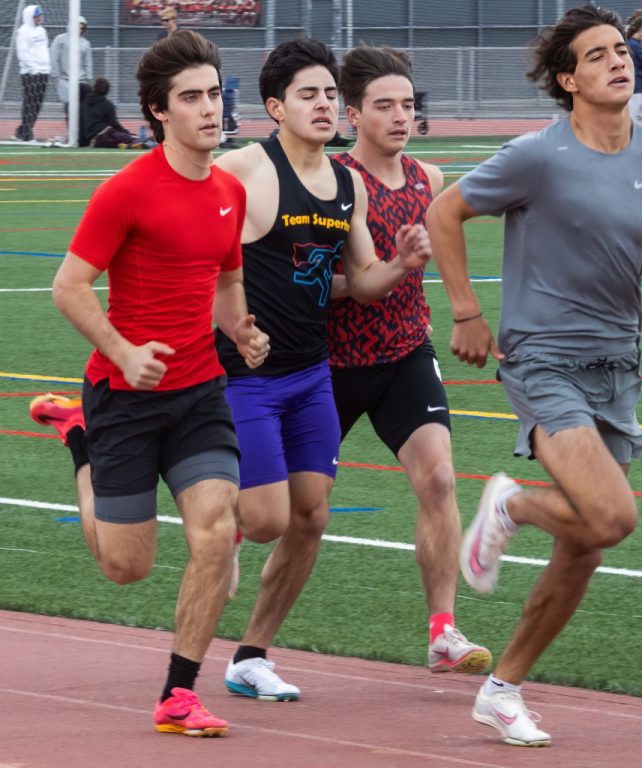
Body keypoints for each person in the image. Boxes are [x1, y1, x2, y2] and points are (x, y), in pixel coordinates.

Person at [426, 4, 642, 747]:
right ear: (568, 79)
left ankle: (502, 689)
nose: (618, 61)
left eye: (622, 50)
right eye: (599, 54)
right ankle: (512, 504)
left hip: (619, 366)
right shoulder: (536, 156)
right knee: (612, 516)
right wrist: (466, 312)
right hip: (543, 358)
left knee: (585, 547)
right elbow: (444, 212)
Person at [28, 30, 269, 737]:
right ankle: (80, 440)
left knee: (216, 533)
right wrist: (123, 351)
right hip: (125, 397)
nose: (209, 108)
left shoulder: (229, 192)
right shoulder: (126, 191)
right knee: (125, 566)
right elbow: (69, 287)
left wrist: (241, 331)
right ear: (160, 112)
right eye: (191, 98)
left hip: (200, 394)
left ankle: (178, 694)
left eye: (214, 94)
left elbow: (226, 279)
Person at [213, 37, 431, 701]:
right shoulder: (243, 168)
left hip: (312, 375)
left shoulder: (345, 183)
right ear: (276, 107)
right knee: (268, 520)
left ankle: (251, 657)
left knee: (310, 517)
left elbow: (361, 281)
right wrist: (233, 323)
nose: (324, 105)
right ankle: (216, 514)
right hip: (246, 375)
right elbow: (197, 252)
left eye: (331, 94)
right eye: (308, 94)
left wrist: (403, 264)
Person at [329, 44, 491, 674]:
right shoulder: (333, 181)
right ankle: (231, 538)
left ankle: (443, 631)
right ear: (353, 115)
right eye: (385, 105)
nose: (401, 116)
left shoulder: (429, 178)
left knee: (440, 479)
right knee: (287, 509)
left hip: (404, 353)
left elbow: (438, 256)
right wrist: (378, 274)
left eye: (407, 104)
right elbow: (313, 283)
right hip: (331, 362)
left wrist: (465, 313)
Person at [14, 5, 50, 142]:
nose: (39, 18)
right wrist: (33, 69)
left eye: (39, 16)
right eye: (36, 16)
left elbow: (44, 49)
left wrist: (46, 67)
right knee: (30, 103)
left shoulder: (42, 31)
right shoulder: (23, 31)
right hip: (30, 73)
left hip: (43, 72)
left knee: (38, 104)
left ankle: (23, 131)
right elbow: (22, 53)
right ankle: (26, 133)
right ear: (30, 17)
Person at [80, 77, 148, 148]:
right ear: (107, 91)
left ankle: (122, 145)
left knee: (116, 142)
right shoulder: (107, 104)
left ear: (94, 87)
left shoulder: (84, 103)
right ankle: (131, 144)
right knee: (134, 139)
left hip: (93, 141)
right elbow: (114, 124)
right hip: (106, 134)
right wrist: (126, 132)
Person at [50, 15, 92, 121]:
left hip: (81, 82)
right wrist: (56, 78)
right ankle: (71, 130)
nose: (80, 29)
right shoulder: (60, 40)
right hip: (65, 81)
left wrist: (89, 80)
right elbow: (54, 59)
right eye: (78, 26)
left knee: (84, 110)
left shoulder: (86, 43)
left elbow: (88, 63)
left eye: (82, 27)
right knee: (70, 110)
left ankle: (81, 130)